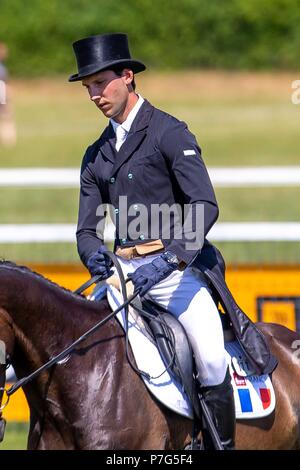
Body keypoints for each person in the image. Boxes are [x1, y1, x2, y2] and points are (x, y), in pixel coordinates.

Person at [69, 33, 276, 450]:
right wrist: (96, 259)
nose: (94, 95)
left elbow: (204, 205)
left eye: (100, 82)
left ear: (128, 77)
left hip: (175, 273)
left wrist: (170, 261)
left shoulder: (168, 132)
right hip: (121, 277)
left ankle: (218, 446)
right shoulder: (96, 154)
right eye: (88, 86)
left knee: (212, 357)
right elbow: (87, 230)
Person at [0, 42, 17, 147]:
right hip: (2, 91)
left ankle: (8, 139)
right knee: (7, 115)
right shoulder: (2, 68)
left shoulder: (2, 67)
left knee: (7, 116)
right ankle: (9, 139)